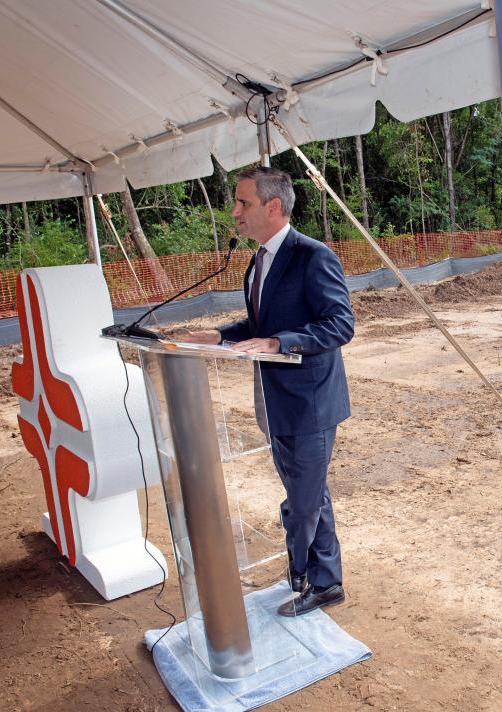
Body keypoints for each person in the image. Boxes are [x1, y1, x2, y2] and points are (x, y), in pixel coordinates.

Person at [185, 167, 355, 616]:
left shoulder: (312, 256)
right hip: (275, 402)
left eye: (243, 203)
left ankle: (314, 575)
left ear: (273, 207)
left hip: (310, 404)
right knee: (309, 493)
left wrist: (281, 343)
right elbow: (258, 327)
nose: (234, 212)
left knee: (303, 500)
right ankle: (320, 577)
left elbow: (340, 324)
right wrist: (220, 336)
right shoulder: (258, 261)